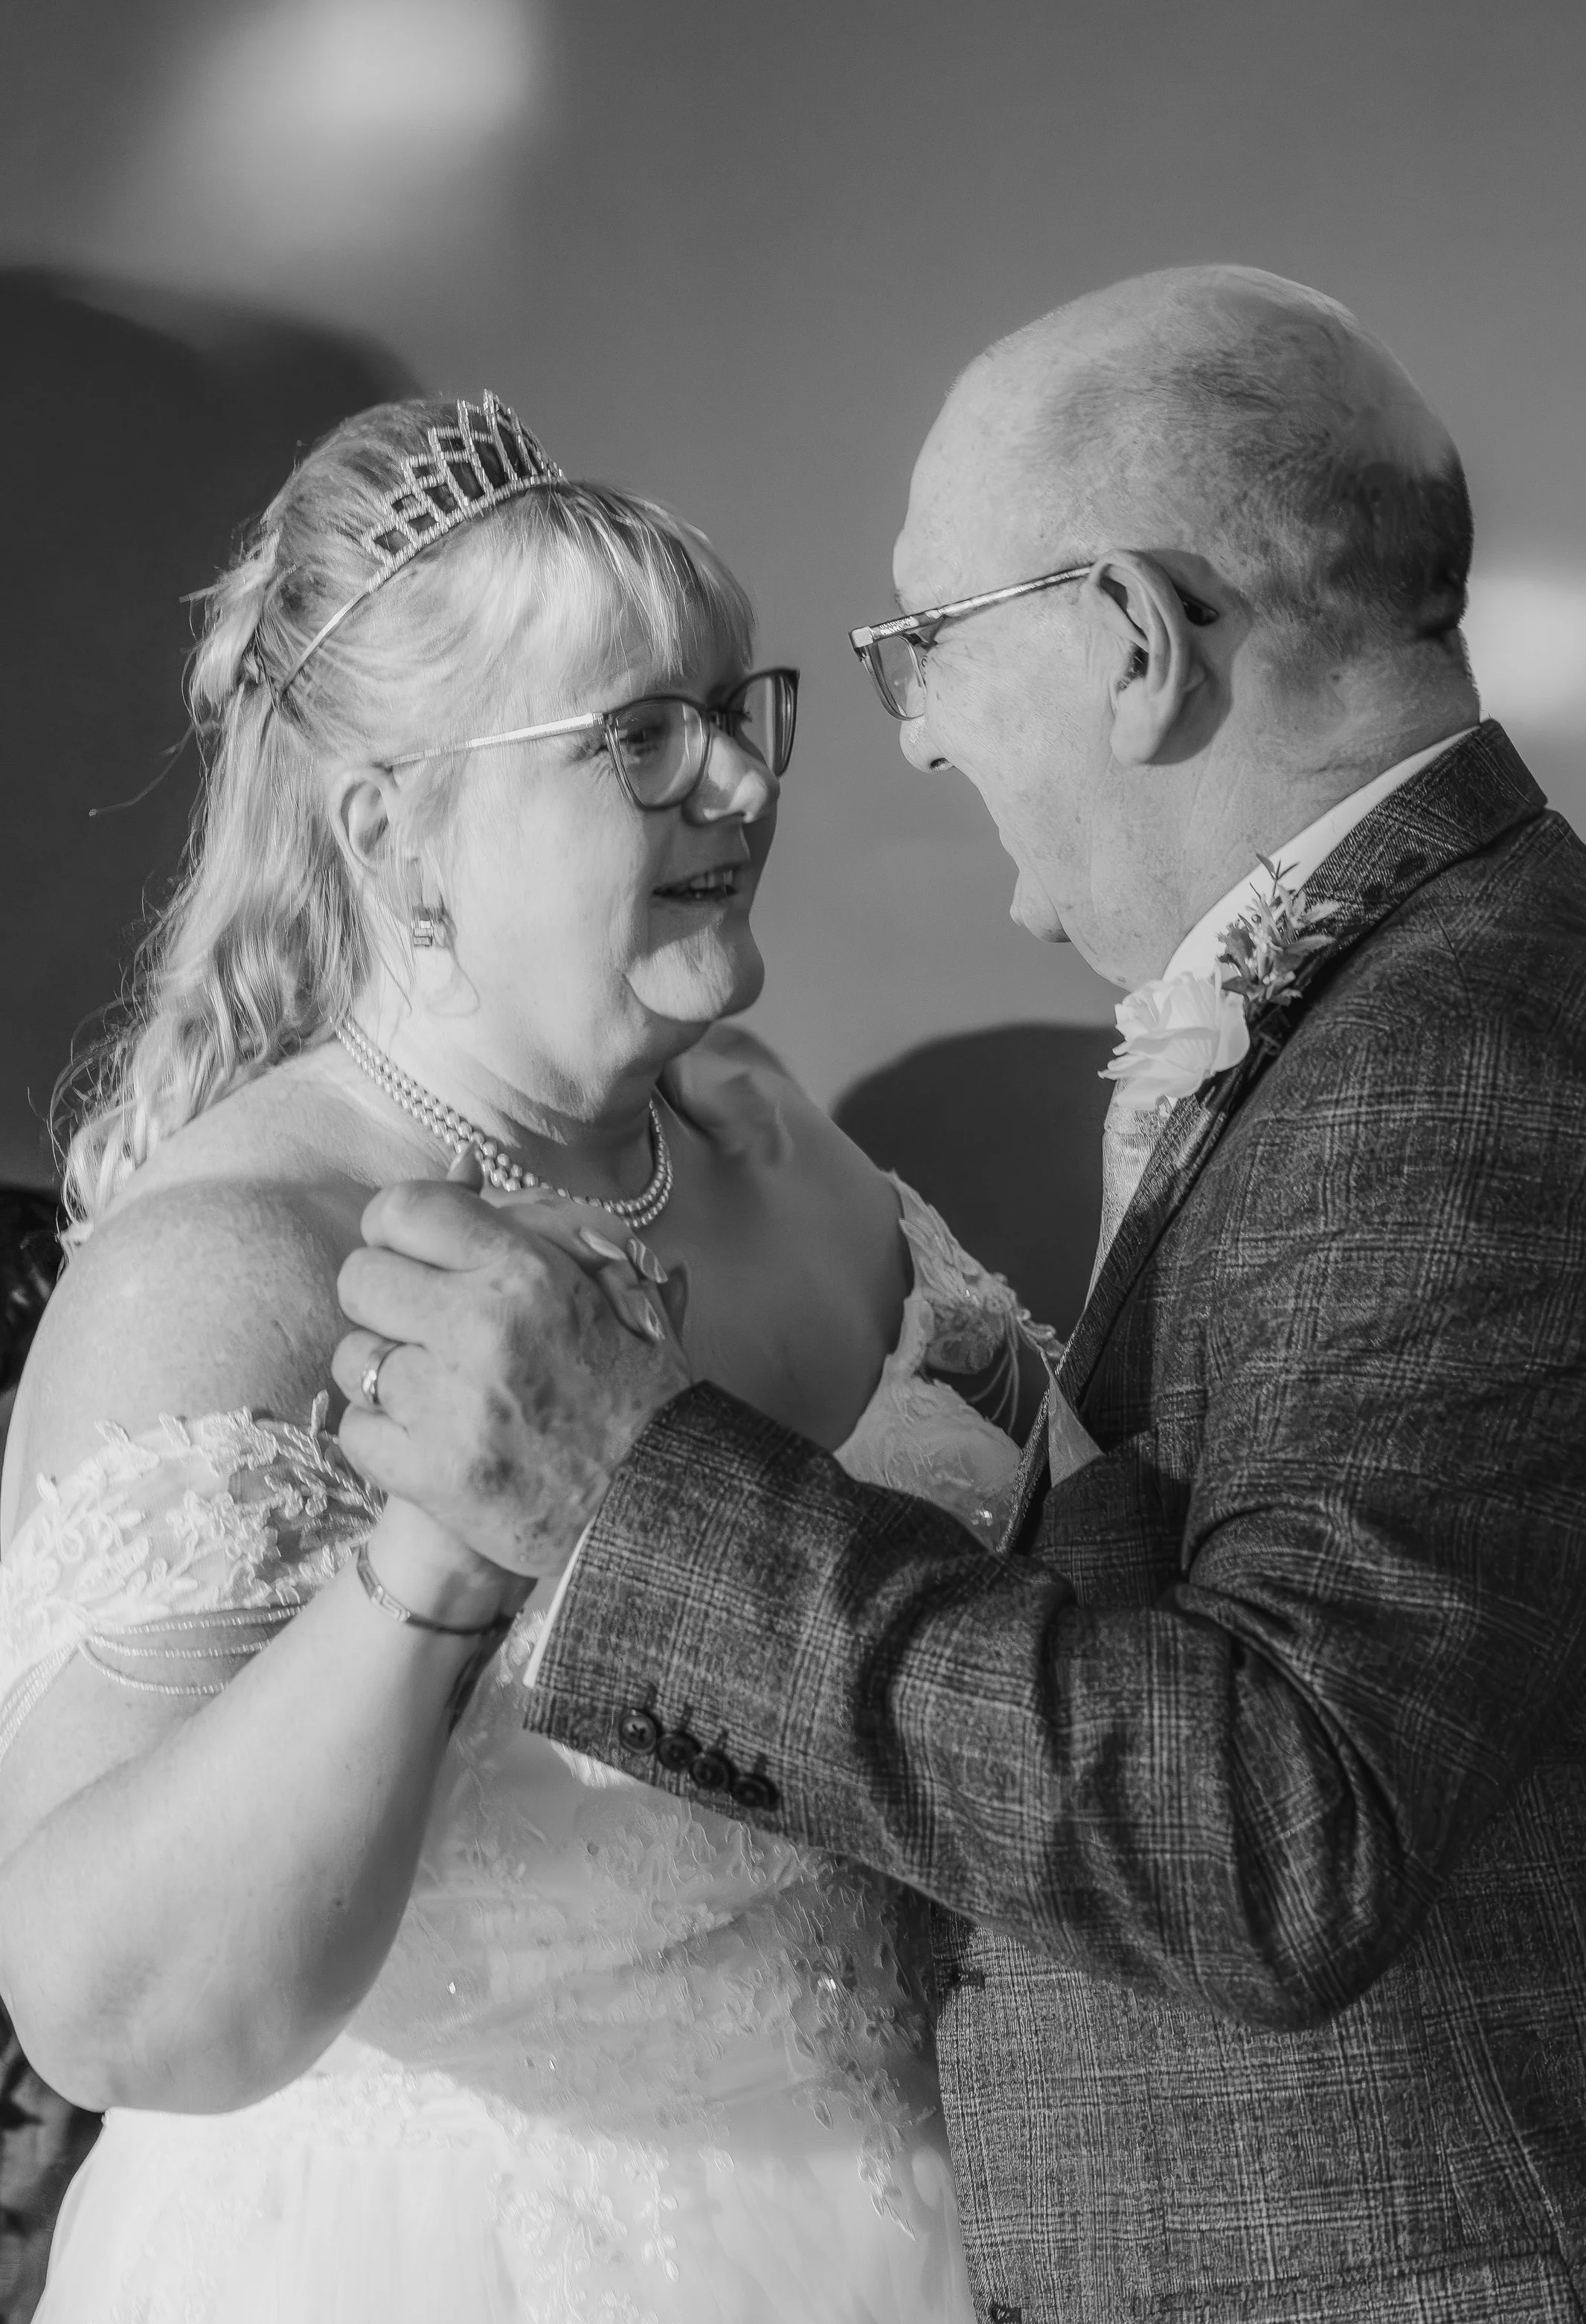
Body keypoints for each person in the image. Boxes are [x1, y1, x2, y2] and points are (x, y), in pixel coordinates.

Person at [336, 273, 1586, 2323]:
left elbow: (1274, 1822)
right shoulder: (1444, 985)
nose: (911, 731)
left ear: (1131, 641)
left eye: (916, 648)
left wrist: (631, 1489)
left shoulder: (1462, 1063)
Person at [0, 392, 1051, 2321]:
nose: (737, 785)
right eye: (640, 735)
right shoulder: (231, 1263)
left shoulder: (753, 1119)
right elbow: (118, 2009)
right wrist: (441, 1561)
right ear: (399, 835)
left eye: (740, 713)